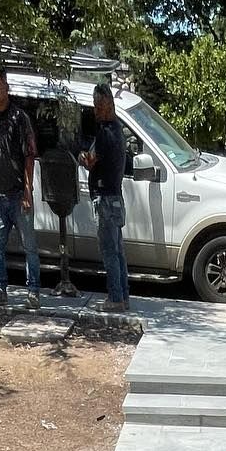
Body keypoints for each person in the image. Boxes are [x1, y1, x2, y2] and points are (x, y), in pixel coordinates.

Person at [0, 64, 41, 310]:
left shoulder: (19, 117)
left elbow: (29, 156)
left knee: (29, 246)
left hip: (17, 194)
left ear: (6, 85)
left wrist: (27, 191)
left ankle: (33, 290)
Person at [80, 82, 129, 313]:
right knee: (118, 252)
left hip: (106, 199)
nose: (96, 110)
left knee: (110, 252)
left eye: (99, 105)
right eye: (95, 106)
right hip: (116, 198)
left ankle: (115, 298)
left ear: (109, 104)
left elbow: (91, 160)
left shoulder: (105, 132)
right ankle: (123, 296)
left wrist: (83, 157)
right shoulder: (118, 129)